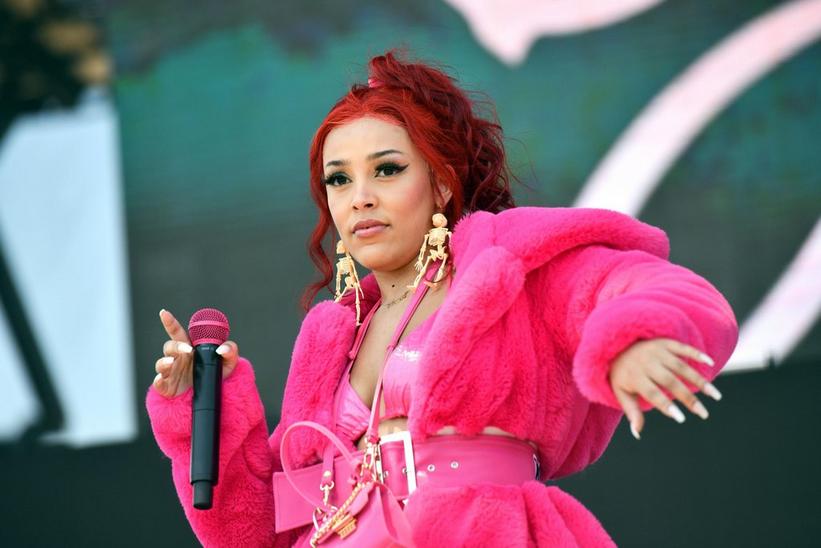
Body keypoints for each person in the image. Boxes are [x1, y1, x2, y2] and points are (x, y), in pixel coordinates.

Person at [147, 50, 738, 547]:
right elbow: (254, 528)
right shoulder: (333, 336)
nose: (359, 198)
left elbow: (645, 285)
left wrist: (633, 336)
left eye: (386, 170)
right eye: (339, 179)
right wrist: (201, 416)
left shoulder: (503, 266)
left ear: (441, 181)